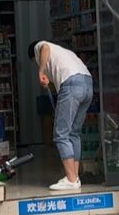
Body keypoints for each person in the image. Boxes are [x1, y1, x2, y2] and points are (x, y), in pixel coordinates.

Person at [28, 39, 93, 192]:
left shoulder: (41, 47)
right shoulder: (64, 52)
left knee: (60, 134)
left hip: (71, 84)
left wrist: (41, 71)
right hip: (87, 83)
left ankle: (70, 179)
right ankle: (75, 177)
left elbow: (43, 47)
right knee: (74, 134)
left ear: (34, 56)